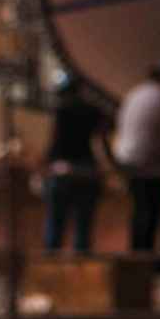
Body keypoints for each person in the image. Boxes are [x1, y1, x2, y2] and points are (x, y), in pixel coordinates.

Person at [112, 58, 160, 252]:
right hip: (146, 161)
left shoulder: (137, 93)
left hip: (128, 157)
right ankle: (145, 256)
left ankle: (140, 253)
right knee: (150, 209)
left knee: (143, 207)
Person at [41, 72, 106, 254]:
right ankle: (80, 267)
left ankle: (52, 268)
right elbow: (103, 140)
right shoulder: (93, 111)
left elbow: (54, 144)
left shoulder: (61, 111)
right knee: (83, 228)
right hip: (86, 170)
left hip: (63, 172)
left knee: (55, 225)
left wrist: (46, 165)